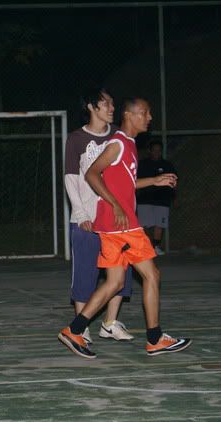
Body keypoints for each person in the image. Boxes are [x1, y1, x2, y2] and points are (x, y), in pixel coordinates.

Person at [58, 98, 192, 359]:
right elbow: (92, 174)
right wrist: (115, 205)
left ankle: (74, 330)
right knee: (152, 275)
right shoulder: (118, 143)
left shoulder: (128, 145)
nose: (150, 117)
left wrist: (155, 180)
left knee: (115, 282)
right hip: (122, 225)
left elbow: (125, 183)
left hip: (114, 226)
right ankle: (155, 338)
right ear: (129, 116)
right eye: (145, 112)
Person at [63, 87, 134, 343]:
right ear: (92, 107)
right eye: (106, 104)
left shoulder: (119, 136)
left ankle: (110, 323)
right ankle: (81, 328)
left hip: (115, 220)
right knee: (85, 274)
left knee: (120, 275)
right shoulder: (76, 139)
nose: (111, 108)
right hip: (87, 219)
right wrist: (81, 213)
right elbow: (71, 178)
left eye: (113, 103)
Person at [136, 141, 177, 255]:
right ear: (150, 151)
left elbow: (173, 181)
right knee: (143, 225)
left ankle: (155, 246)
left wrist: (174, 196)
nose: (156, 152)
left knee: (160, 224)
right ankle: (143, 247)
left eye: (159, 150)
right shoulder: (143, 164)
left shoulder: (167, 165)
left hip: (162, 200)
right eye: (154, 150)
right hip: (145, 199)